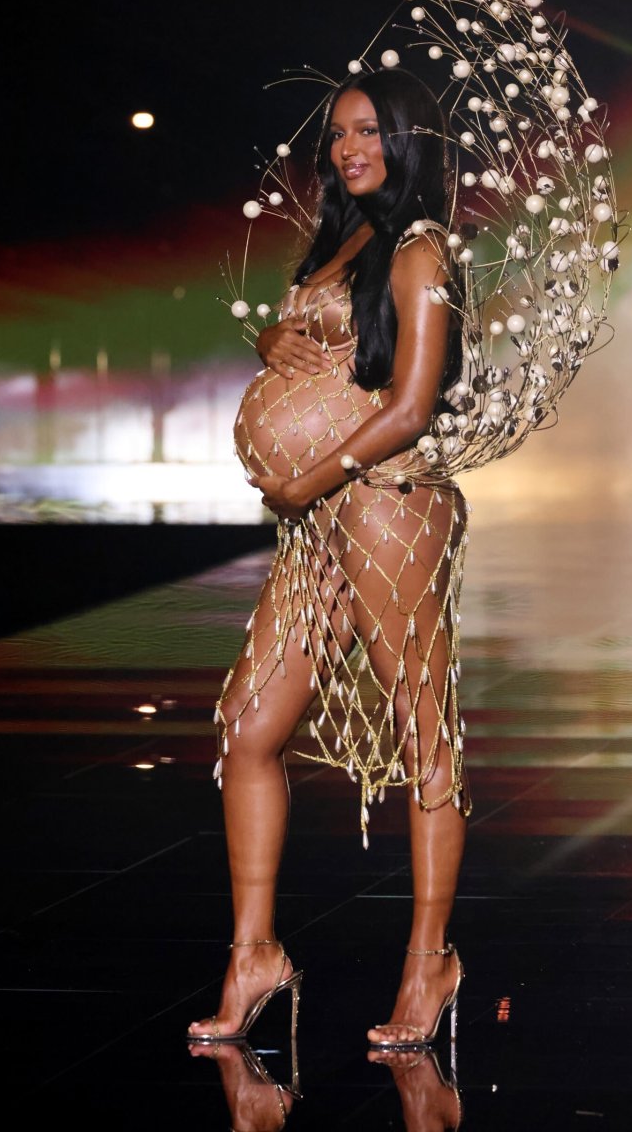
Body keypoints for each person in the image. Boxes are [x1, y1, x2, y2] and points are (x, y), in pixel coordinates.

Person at [187, 67, 470, 1051]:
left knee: (421, 735)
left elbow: (412, 404)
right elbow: (313, 343)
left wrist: (307, 479)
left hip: (389, 508)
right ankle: (253, 953)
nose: (351, 148)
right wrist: (276, 335)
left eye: (370, 131)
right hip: (320, 521)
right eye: (340, 133)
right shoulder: (344, 237)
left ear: (407, 139)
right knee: (246, 726)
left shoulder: (421, 249)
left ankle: (428, 963)